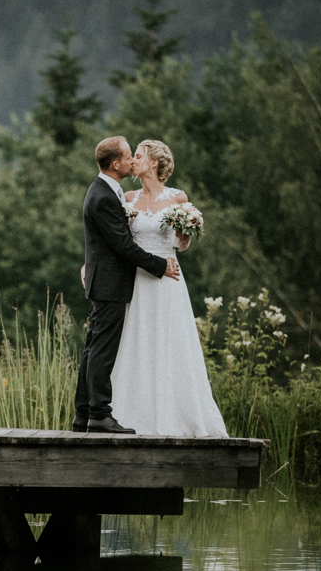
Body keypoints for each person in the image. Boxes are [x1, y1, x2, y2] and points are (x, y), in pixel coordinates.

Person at [110, 140, 227, 437]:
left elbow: (181, 245)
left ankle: (176, 416)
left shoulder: (177, 198)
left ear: (154, 164)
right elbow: (118, 241)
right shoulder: (129, 197)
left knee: (170, 343)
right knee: (136, 341)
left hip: (168, 279)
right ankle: (129, 415)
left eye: (139, 155)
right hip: (137, 279)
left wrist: (184, 232)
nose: (133, 160)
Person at [73, 136, 180, 435]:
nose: (133, 161)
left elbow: (104, 240)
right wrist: (160, 265)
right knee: (102, 351)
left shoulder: (107, 191)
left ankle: (83, 413)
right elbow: (122, 244)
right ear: (116, 163)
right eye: (128, 156)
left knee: (93, 348)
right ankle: (99, 414)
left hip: (105, 280)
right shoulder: (105, 196)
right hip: (109, 283)